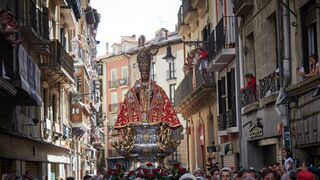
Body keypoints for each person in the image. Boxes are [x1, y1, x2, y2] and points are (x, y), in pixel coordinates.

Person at [114, 35, 181, 129]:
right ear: (141, 73)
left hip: (153, 122)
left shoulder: (157, 89)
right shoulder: (133, 90)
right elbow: (130, 100)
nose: (144, 75)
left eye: (146, 73)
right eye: (143, 73)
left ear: (148, 73)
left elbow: (164, 101)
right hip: (139, 120)